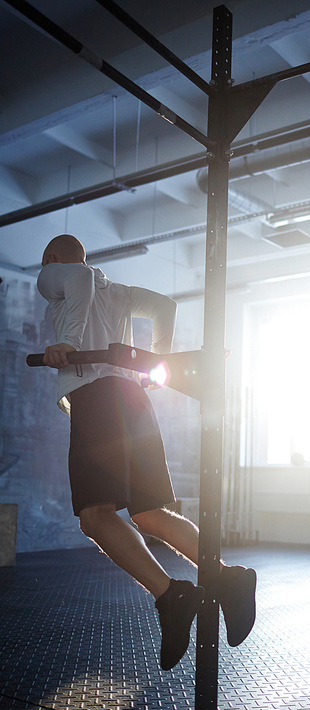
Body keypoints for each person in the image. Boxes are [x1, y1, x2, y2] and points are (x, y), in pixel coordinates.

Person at [37, 234, 256, 671]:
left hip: (97, 399)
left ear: (52, 258)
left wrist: (71, 342)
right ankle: (228, 578)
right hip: (132, 400)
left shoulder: (58, 274)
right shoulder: (116, 292)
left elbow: (76, 275)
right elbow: (165, 307)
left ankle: (171, 595)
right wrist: (157, 358)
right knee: (151, 513)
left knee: (95, 517)